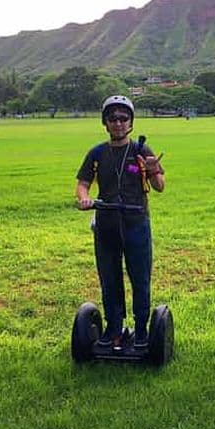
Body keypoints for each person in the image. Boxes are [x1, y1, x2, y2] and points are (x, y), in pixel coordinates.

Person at [76, 95, 165, 349]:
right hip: (106, 225)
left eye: (123, 118)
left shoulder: (141, 150)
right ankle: (114, 327)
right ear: (105, 123)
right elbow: (83, 184)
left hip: (136, 223)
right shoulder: (97, 153)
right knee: (110, 278)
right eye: (112, 118)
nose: (118, 123)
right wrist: (84, 199)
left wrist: (152, 170)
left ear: (131, 122)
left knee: (140, 278)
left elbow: (159, 187)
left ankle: (141, 329)